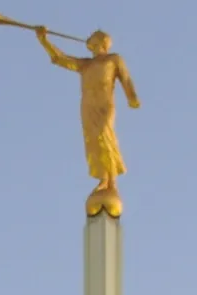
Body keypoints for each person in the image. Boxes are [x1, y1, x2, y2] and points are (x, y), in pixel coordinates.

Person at [36, 27, 139, 215]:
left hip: (105, 105)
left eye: (93, 39)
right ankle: (103, 178)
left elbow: (125, 78)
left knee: (105, 135)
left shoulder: (113, 59)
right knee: (93, 141)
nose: (89, 42)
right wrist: (44, 40)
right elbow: (60, 58)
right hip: (88, 106)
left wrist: (132, 97)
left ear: (101, 42)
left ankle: (112, 180)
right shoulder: (86, 64)